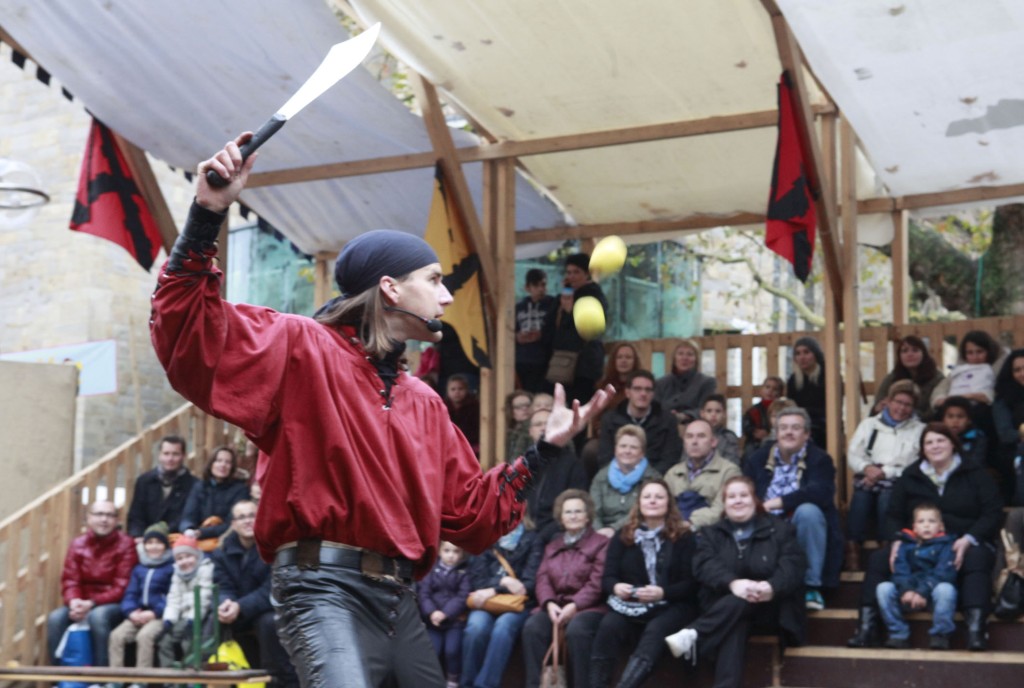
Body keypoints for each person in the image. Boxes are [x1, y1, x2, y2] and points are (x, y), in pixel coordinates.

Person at [150, 134, 612, 687]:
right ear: (390, 288)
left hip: (398, 600)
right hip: (320, 589)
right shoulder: (303, 348)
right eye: (435, 280)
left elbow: (470, 517)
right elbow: (189, 334)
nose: (446, 296)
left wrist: (545, 450)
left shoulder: (425, 402)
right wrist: (206, 215)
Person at [848, 423, 1003, 651]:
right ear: (922, 449)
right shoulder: (910, 475)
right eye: (929, 442)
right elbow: (893, 514)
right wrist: (897, 539)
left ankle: (976, 630)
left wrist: (969, 538)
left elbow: (993, 512)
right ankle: (866, 627)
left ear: (953, 444)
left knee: (976, 558)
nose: (935, 446)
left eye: (941, 440)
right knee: (879, 558)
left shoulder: (975, 473)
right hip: (917, 542)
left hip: (964, 539)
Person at [664, 476, 806, 688]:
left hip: (770, 609)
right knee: (736, 617)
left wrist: (771, 587)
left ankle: (696, 633)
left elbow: (793, 565)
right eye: (731, 497)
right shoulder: (712, 534)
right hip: (727, 610)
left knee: (740, 605)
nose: (737, 500)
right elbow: (704, 565)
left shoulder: (780, 530)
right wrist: (733, 584)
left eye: (743, 495)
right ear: (724, 503)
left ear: (755, 500)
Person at [589, 479, 697, 688]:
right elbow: (608, 578)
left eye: (659, 497)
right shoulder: (623, 536)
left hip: (674, 604)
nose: (652, 501)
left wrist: (663, 593)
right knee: (608, 626)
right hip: (631, 605)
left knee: (656, 629)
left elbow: (691, 583)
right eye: (647, 497)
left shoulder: (684, 537)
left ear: (668, 503)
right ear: (639, 503)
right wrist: (616, 588)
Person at [744, 408, 843, 611]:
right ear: (776, 432)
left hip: (799, 525)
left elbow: (820, 493)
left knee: (808, 511)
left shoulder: (820, 459)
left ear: (806, 434)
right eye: (783, 428)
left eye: (796, 428)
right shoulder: (757, 459)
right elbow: (745, 489)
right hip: (764, 524)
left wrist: (776, 503)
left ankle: (810, 587)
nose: (789, 432)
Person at [521, 490, 609, 688]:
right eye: (568, 512)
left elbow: (597, 582)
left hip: (589, 608)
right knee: (533, 627)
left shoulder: (601, 543)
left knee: (577, 631)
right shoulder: (553, 545)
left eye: (578, 511)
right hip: (556, 606)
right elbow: (542, 578)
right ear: (561, 517)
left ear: (588, 516)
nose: (573, 516)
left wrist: (575, 605)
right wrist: (549, 603)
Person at [210, 500, 297, 687]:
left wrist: (240, 606)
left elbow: (272, 588)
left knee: (269, 623)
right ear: (233, 524)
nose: (247, 521)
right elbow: (222, 585)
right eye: (241, 517)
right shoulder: (222, 551)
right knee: (212, 619)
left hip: (272, 608)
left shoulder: (275, 547)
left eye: (252, 515)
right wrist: (225, 603)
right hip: (240, 610)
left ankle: (278, 681)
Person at [844, 381, 925, 571]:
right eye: (898, 402)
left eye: (908, 405)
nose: (901, 408)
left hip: (898, 479)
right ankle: (852, 550)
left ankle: (886, 547)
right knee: (861, 497)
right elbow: (854, 453)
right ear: (888, 401)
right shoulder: (869, 424)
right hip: (868, 475)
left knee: (887, 498)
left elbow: (913, 461)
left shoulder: (919, 429)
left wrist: (885, 472)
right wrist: (866, 467)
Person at [47, 500, 138, 667]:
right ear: (88, 518)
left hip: (114, 604)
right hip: (82, 602)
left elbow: (122, 586)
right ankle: (58, 675)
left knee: (98, 617)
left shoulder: (126, 544)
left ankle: (100, 674)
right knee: (55, 618)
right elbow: (70, 580)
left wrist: (92, 603)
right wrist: (74, 602)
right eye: (99, 514)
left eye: (110, 515)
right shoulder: (77, 544)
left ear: (117, 520)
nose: (104, 519)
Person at [461, 519, 542, 688]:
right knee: (476, 627)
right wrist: (502, 583)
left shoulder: (533, 539)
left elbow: (528, 585)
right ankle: (467, 684)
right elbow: (477, 580)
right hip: (487, 601)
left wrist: (496, 588)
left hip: (517, 604)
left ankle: (485, 685)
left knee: (503, 627)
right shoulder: (485, 537)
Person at [875, 503, 958, 649]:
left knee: (946, 589)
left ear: (941, 526)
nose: (926, 525)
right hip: (907, 596)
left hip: (932, 596)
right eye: (921, 521)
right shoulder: (905, 544)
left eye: (931, 521)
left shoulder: (947, 545)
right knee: (883, 588)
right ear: (914, 527)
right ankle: (898, 633)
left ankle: (940, 635)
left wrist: (922, 592)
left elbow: (943, 573)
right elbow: (900, 571)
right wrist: (907, 590)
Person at [107, 522, 175, 673]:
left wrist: (155, 613)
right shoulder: (139, 568)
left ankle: (141, 679)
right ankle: (115, 678)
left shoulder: (171, 568)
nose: (154, 547)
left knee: (144, 636)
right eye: (149, 543)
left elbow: (172, 596)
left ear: (165, 546)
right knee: (116, 636)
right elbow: (131, 593)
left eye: (158, 543)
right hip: (138, 613)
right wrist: (130, 611)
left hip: (159, 616)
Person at [546, 253, 609, 408]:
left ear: (586, 274)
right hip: (562, 364)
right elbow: (550, 324)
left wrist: (571, 311)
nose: (571, 276)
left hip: (584, 365)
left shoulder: (594, 295)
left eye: (576, 272)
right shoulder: (564, 296)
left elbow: (592, 327)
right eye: (568, 272)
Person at [596, 370, 682, 474]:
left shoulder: (668, 420)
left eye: (648, 390)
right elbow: (605, 458)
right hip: (617, 476)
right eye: (637, 389)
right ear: (627, 392)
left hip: (654, 477)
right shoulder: (610, 419)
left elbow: (670, 459)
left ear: (653, 394)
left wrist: (648, 477)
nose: (643, 394)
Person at [522, 409, 589, 541]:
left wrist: (542, 536)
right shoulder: (524, 464)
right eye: (538, 424)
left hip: (557, 534)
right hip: (525, 531)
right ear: (530, 431)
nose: (543, 428)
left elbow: (575, 508)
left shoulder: (573, 464)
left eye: (548, 424)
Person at [663, 419, 741, 532]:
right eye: (689, 436)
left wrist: (691, 523)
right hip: (674, 533)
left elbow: (721, 509)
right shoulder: (672, 473)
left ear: (713, 442)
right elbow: (663, 507)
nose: (694, 441)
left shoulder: (729, 472)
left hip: (712, 535)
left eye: (701, 436)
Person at [591, 425, 662, 537]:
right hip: (601, 534)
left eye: (633, 447)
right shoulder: (601, 477)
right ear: (615, 450)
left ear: (642, 453)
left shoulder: (653, 479)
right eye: (623, 446)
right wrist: (599, 533)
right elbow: (593, 511)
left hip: (637, 533)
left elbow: (643, 512)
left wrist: (614, 529)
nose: (627, 451)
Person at [418, 542, 471, 688]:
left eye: (456, 551)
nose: (451, 555)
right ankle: (432, 681)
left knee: (452, 650)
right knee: (433, 651)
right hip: (433, 622)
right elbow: (424, 593)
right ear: (439, 552)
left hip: (454, 622)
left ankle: (453, 680)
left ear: (462, 554)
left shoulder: (464, 572)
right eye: (447, 551)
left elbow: (463, 596)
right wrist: (431, 612)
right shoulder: (431, 569)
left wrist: (446, 613)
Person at [157, 536, 214, 669]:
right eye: (180, 558)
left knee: (188, 641)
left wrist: (192, 619)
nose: (184, 561)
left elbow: (203, 598)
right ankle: (168, 675)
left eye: (188, 556)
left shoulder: (205, 569)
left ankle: (190, 674)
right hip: (182, 617)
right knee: (164, 641)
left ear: (196, 556)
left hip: (199, 616)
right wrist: (168, 620)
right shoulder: (177, 574)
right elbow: (173, 599)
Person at [126, 436, 197, 538]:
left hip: (176, 539)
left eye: (175, 454)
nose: (170, 459)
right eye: (166, 453)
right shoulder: (144, 481)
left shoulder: (194, 485)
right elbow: (136, 516)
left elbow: (188, 517)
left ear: (184, 456)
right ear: (159, 455)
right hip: (144, 538)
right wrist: (137, 536)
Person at [179, 445, 251, 546]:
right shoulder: (199, 487)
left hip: (227, 540)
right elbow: (188, 516)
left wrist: (202, 533)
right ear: (211, 464)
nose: (223, 465)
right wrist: (188, 529)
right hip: (196, 539)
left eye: (228, 462)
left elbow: (233, 523)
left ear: (232, 467)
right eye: (218, 460)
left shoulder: (240, 490)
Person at [872, 335, 944, 419]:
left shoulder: (937, 378)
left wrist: (911, 414)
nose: (910, 354)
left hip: (926, 423)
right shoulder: (891, 378)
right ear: (899, 356)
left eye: (915, 350)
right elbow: (876, 409)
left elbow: (937, 411)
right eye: (904, 351)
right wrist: (878, 408)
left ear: (924, 354)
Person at [654, 339, 716, 423]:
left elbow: (706, 409)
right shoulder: (660, 383)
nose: (684, 358)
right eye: (680, 354)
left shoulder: (707, 383)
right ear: (674, 358)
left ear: (696, 360)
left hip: (695, 425)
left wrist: (685, 416)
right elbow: (654, 409)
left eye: (690, 354)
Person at [515, 268, 556, 394]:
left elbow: (556, 329)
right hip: (522, 359)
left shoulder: (553, 305)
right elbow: (512, 330)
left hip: (544, 359)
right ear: (527, 288)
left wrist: (542, 335)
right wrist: (518, 337)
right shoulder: (519, 307)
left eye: (543, 285)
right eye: (536, 285)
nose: (540, 289)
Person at [992, 347, 1024, 501]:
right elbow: (1005, 434)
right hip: (1014, 449)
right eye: (1017, 370)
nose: (1022, 373)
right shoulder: (1003, 400)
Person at [592, 342, 642, 436]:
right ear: (613, 361)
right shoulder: (603, 387)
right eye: (619, 357)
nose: (623, 361)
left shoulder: (641, 386)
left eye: (628, 357)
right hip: (608, 434)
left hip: (635, 434)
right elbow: (597, 418)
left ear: (635, 361)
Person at [785, 337, 827, 448]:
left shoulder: (827, 377)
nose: (802, 357)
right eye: (798, 353)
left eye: (806, 352)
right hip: (799, 425)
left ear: (816, 354)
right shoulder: (793, 380)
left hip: (823, 427)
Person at [938, 396, 989, 467]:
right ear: (943, 420)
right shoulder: (938, 437)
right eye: (950, 416)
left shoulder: (978, 437)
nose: (955, 421)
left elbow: (976, 462)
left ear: (969, 420)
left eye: (960, 416)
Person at [741, 376, 784, 455]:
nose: (770, 391)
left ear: (780, 394)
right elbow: (746, 426)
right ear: (761, 390)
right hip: (756, 443)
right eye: (767, 387)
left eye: (775, 389)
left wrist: (768, 432)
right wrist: (754, 432)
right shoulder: (753, 410)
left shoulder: (782, 410)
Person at [445, 374, 481, 455]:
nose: (457, 392)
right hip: (449, 445)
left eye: (460, 389)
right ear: (447, 391)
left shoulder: (474, 406)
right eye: (453, 389)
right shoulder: (443, 407)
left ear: (467, 390)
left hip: (470, 445)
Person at [699, 394, 740, 465]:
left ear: (724, 414)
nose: (713, 415)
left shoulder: (728, 437)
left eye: (718, 411)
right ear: (702, 413)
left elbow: (732, 463)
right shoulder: (695, 435)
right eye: (709, 411)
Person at [505, 390, 534, 463]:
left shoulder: (537, 429)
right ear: (511, 411)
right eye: (518, 407)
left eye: (528, 405)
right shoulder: (507, 434)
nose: (524, 409)